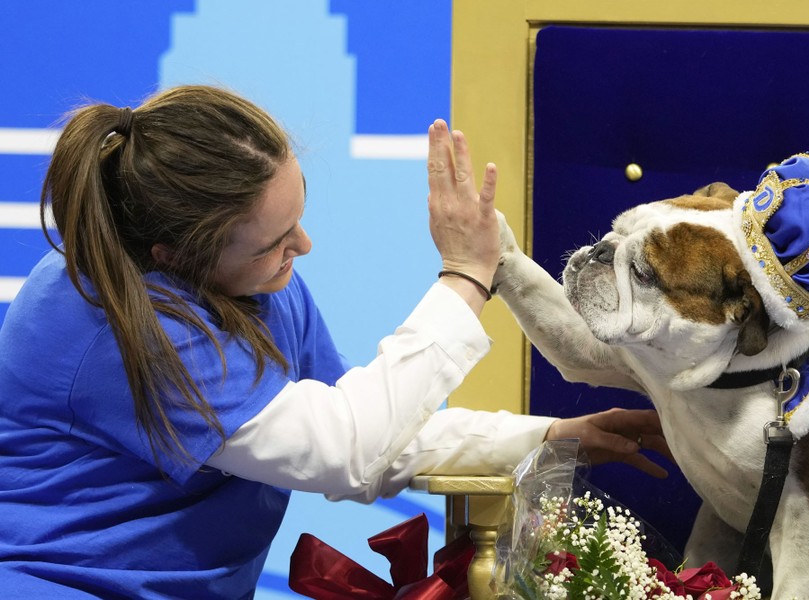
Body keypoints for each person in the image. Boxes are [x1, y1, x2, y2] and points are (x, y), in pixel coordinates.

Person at [0, 85, 670, 598]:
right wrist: (466, 276)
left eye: (298, 217)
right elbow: (345, 451)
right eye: (273, 242)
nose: (304, 246)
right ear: (174, 253)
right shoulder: (111, 321)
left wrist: (550, 437)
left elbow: (367, 426)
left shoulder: (254, 284)